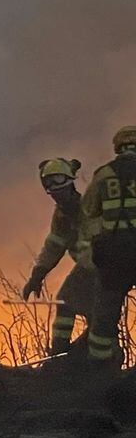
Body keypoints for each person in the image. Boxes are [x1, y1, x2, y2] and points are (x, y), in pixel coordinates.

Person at [21, 157, 95, 361]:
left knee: (66, 301)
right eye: (50, 188)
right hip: (90, 268)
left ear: (70, 182)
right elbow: (54, 245)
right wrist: (37, 275)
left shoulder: (89, 207)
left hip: (99, 264)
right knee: (96, 315)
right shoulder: (62, 215)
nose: (55, 193)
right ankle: (96, 357)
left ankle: (59, 355)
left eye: (59, 185)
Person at [79, 126, 136, 370]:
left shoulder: (104, 175)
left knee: (105, 313)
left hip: (114, 255)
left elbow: (89, 211)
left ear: (118, 147)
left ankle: (101, 370)